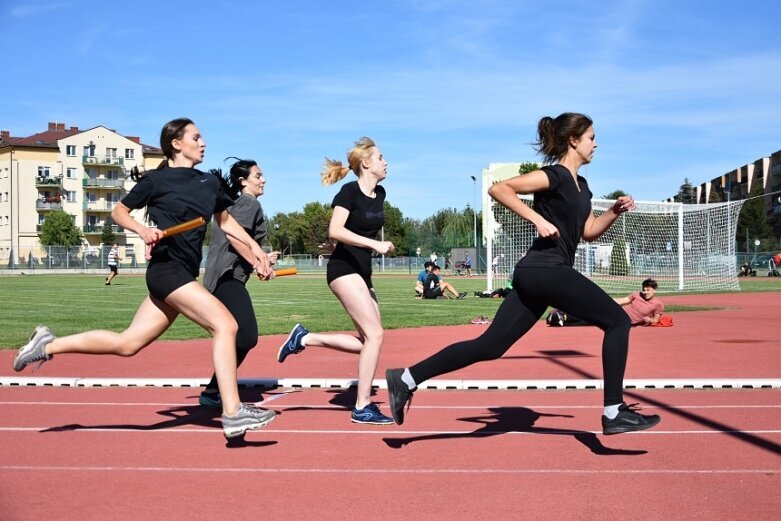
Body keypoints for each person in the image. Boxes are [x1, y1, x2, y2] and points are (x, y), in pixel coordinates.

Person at [386, 112, 661, 435]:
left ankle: (405, 379)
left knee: (490, 346)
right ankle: (614, 411)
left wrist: (614, 211)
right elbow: (499, 189)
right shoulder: (554, 175)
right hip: (545, 269)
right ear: (573, 140)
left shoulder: (582, 187)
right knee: (616, 320)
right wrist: (536, 219)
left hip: (540, 275)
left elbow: (587, 231)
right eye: (591, 137)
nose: (596, 144)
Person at [12, 118, 276, 439]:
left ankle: (48, 345)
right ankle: (233, 413)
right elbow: (118, 212)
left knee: (128, 343)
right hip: (167, 271)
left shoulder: (210, 183)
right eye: (196, 137)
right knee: (226, 326)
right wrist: (142, 229)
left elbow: (227, 224)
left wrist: (255, 252)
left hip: (182, 273)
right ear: (177, 144)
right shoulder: (157, 181)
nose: (203, 142)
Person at [277, 137, 396, 424]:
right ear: (366, 163)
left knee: (369, 340)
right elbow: (335, 230)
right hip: (343, 269)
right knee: (375, 336)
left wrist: (368, 245)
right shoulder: (348, 192)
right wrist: (375, 245)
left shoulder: (380, 194)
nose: (386, 162)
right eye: (381, 157)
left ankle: (304, 338)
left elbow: (353, 231)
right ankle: (362, 405)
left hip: (362, 271)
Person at [198, 157, 279, 408]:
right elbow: (236, 239)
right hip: (226, 277)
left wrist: (262, 258)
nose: (263, 179)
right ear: (243, 181)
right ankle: (215, 390)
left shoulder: (239, 203)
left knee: (238, 334)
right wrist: (258, 262)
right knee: (246, 336)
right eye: (257, 176)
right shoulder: (248, 203)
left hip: (226, 276)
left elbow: (240, 242)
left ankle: (214, 390)